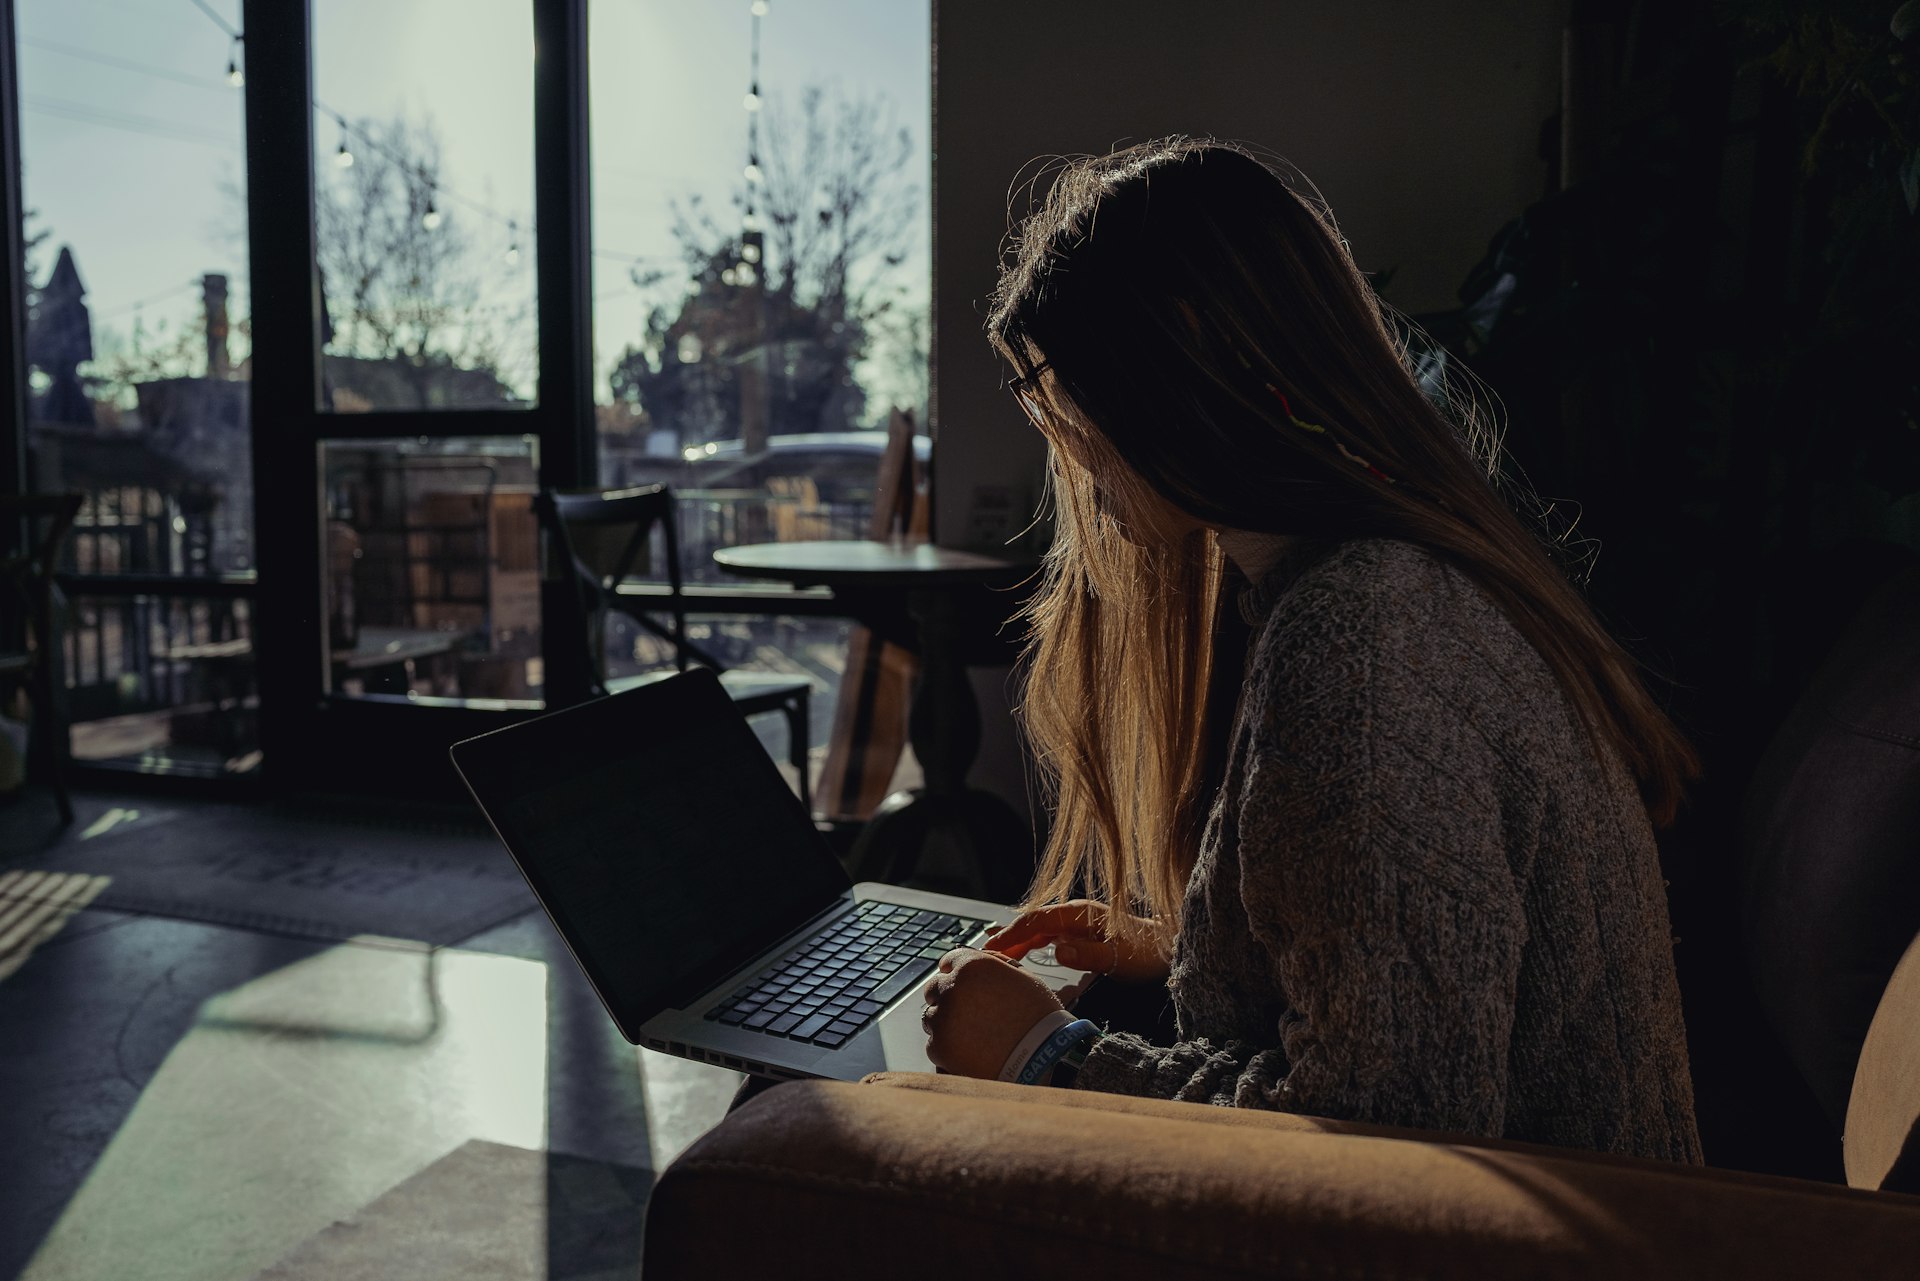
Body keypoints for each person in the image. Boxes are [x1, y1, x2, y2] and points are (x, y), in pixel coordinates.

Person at [917, 135, 1705, 1164]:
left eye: (1074, 402)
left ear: (1177, 378)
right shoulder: (1385, 586)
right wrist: (1195, 951)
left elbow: (1386, 1141)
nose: (1074, 454)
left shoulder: (1364, 644)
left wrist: (1044, 1054)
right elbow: (1415, 975)